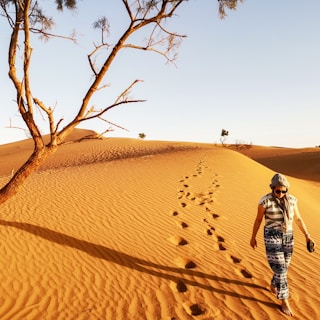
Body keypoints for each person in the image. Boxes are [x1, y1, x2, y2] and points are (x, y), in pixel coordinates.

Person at [250, 173, 315, 316]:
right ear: (272, 188)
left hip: (288, 237)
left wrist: (307, 236)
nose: (281, 193)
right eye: (277, 191)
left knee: (284, 266)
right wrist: (253, 236)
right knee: (281, 269)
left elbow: (298, 219)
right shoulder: (265, 201)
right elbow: (258, 219)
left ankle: (274, 284)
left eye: (284, 191)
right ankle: (284, 300)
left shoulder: (292, 200)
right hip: (272, 235)